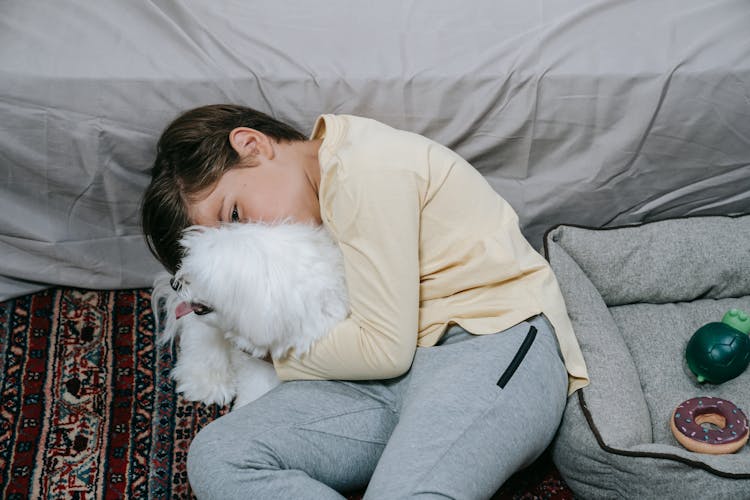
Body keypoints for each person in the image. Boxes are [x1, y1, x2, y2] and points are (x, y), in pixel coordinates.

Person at [141, 104, 589, 499]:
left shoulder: (367, 168)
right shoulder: (313, 197)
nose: (248, 244)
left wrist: (265, 351)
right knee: (220, 456)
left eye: (234, 216)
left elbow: (381, 351)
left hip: (489, 344)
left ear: (253, 145)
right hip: (384, 379)